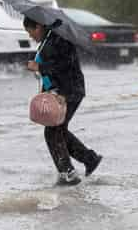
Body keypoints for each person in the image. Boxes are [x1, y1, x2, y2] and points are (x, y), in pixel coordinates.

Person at [24, 16, 102, 185]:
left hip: (69, 91)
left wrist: (40, 67)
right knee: (59, 131)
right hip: (59, 91)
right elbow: (48, 62)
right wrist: (33, 61)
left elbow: (64, 66)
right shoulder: (48, 40)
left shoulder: (59, 40)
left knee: (53, 131)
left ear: (38, 26)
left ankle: (68, 174)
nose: (31, 37)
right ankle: (89, 159)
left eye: (31, 32)